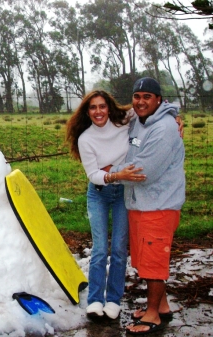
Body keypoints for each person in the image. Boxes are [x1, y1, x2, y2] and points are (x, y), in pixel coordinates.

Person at [108, 78, 185, 335]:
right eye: (137, 96)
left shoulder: (164, 128)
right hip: (141, 203)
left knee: (154, 260)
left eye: (147, 96)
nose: (141, 101)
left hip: (159, 205)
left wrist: (110, 171)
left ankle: (152, 316)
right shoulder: (138, 121)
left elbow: (144, 172)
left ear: (159, 100)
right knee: (144, 258)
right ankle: (161, 305)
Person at [66, 90, 147, 320]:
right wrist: (116, 173)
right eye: (93, 107)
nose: (98, 111)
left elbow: (151, 107)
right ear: (87, 112)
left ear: (109, 107)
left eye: (102, 106)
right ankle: (94, 301)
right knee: (100, 249)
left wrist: (176, 118)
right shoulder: (86, 138)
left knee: (120, 249)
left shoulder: (124, 122)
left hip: (124, 191)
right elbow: (93, 175)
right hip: (99, 194)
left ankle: (113, 300)